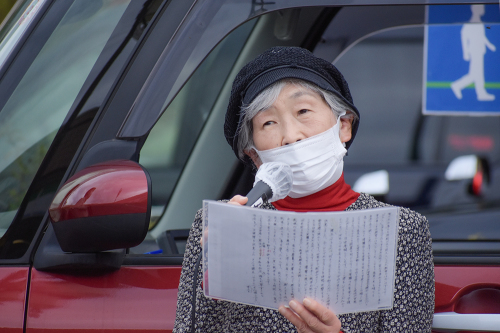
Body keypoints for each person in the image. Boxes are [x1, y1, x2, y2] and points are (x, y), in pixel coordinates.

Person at [173, 46, 434, 333]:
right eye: (268, 122)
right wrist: (217, 269)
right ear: (254, 155)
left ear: (344, 126)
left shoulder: (400, 230)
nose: (290, 136)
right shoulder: (221, 225)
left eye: (303, 111)